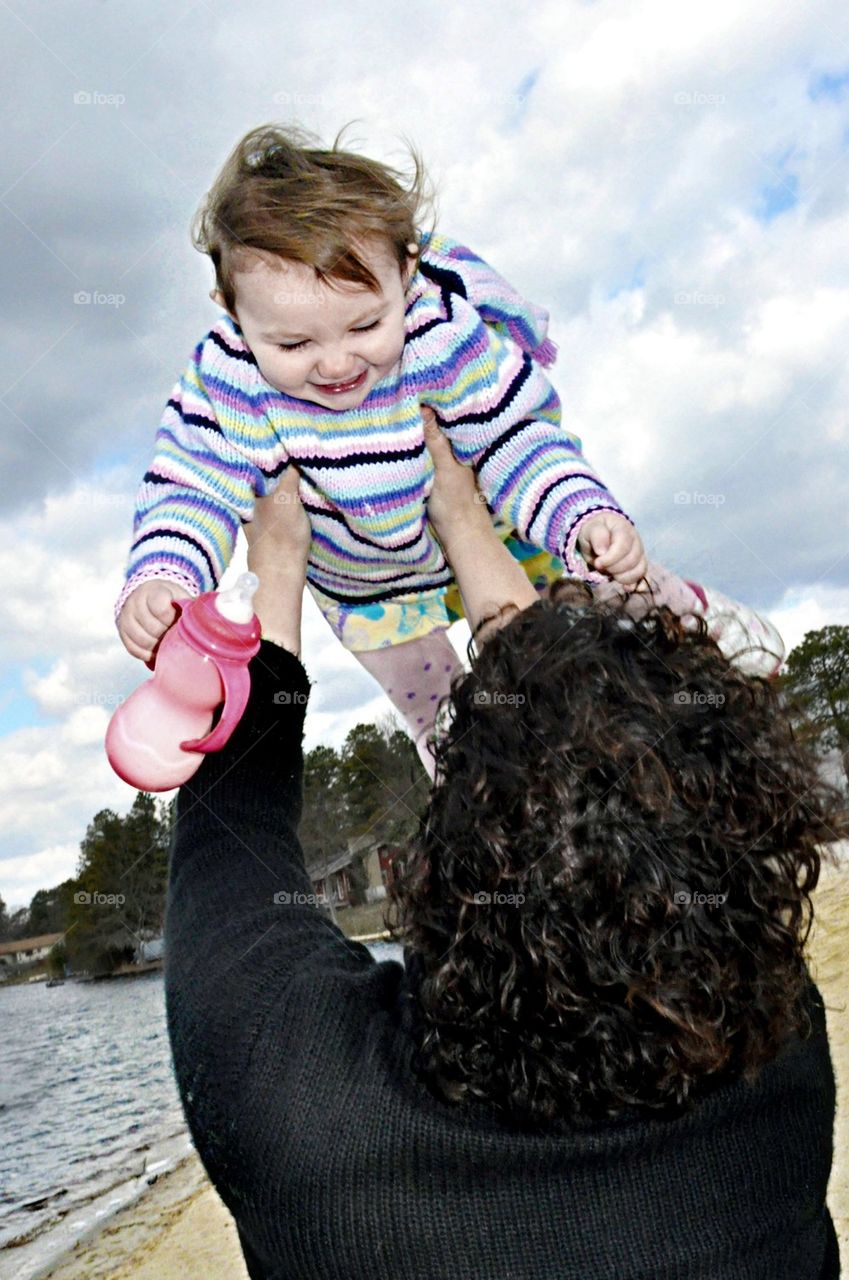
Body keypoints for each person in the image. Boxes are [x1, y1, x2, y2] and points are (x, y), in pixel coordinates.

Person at [164, 418, 843, 1280]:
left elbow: (234, 823)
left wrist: (275, 558)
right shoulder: (776, 1047)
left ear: (442, 880)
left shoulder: (302, 1110)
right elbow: (588, 776)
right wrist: (463, 518)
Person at [115, 123, 784, 775]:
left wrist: (583, 512)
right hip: (368, 586)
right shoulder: (222, 382)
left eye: (366, 324)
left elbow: (514, 436)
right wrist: (165, 577)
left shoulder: (438, 331)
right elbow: (188, 490)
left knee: (603, 575)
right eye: (293, 345)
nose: (336, 361)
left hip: (495, 525)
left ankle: (684, 612)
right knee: (437, 707)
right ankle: (474, 786)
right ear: (231, 311)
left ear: (405, 273)